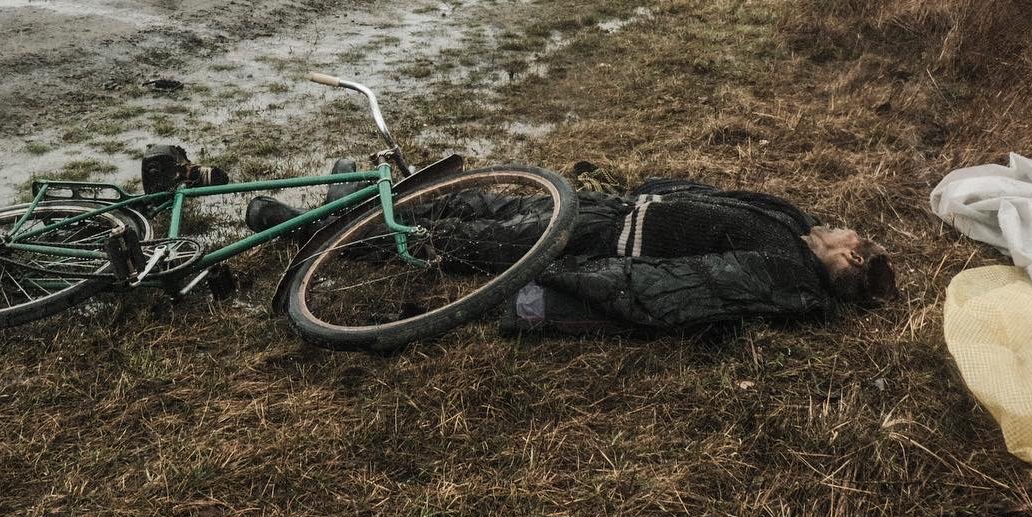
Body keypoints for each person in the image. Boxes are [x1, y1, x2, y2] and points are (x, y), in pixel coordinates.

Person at [245, 167, 896, 335]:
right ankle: (347, 208)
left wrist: (567, 278)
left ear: (847, 263)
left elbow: (683, 287)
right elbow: (707, 200)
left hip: (596, 239)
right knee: (477, 204)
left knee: (461, 241)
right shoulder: (792, 224)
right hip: (607, 208)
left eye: (857, 245)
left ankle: (307, 234)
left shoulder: (787, 270)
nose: (852, 233)